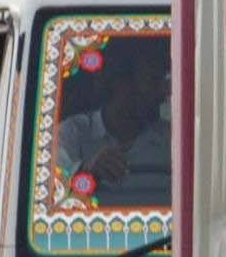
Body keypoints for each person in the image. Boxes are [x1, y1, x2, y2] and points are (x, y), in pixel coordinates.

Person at [52, 48, 169, 206]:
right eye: (153, 82)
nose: (163, 93)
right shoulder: (70, 133)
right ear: (120, 85)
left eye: (165, 84)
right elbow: (50, 199)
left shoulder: (172, 140)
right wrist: (88, 172)